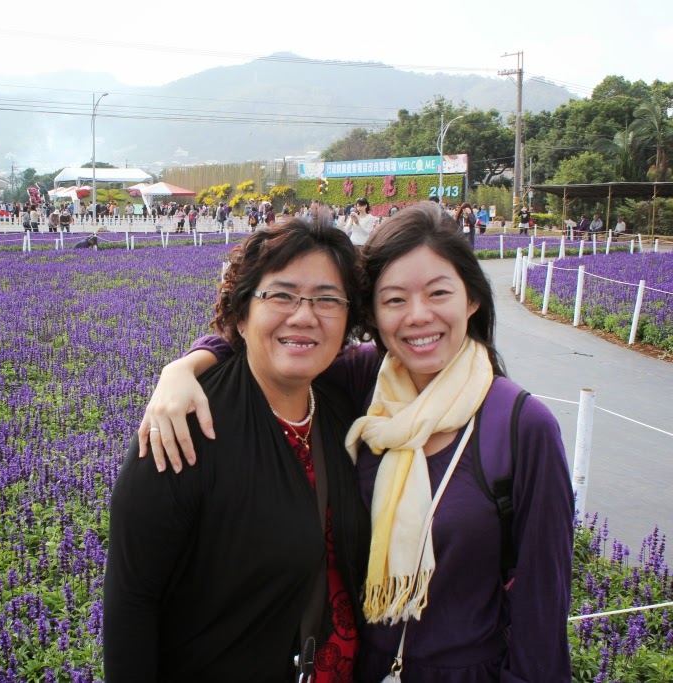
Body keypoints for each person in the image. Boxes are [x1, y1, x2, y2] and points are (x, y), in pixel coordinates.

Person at [138, 202, 574, 683]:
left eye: (438, 293)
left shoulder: (521, 426)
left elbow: (542, 600)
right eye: (394, 300)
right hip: (360, 668)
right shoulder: (363, 381)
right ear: (372, 314)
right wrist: (185, 367)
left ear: (471, 300)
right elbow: (273, 342)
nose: (418, 316)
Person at [106, 219, 370, 682]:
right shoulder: (184, 427)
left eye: (327, 299)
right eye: (282, 295)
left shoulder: (342, 406)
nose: (304, 316)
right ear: (242, 316)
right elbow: (132, 601)